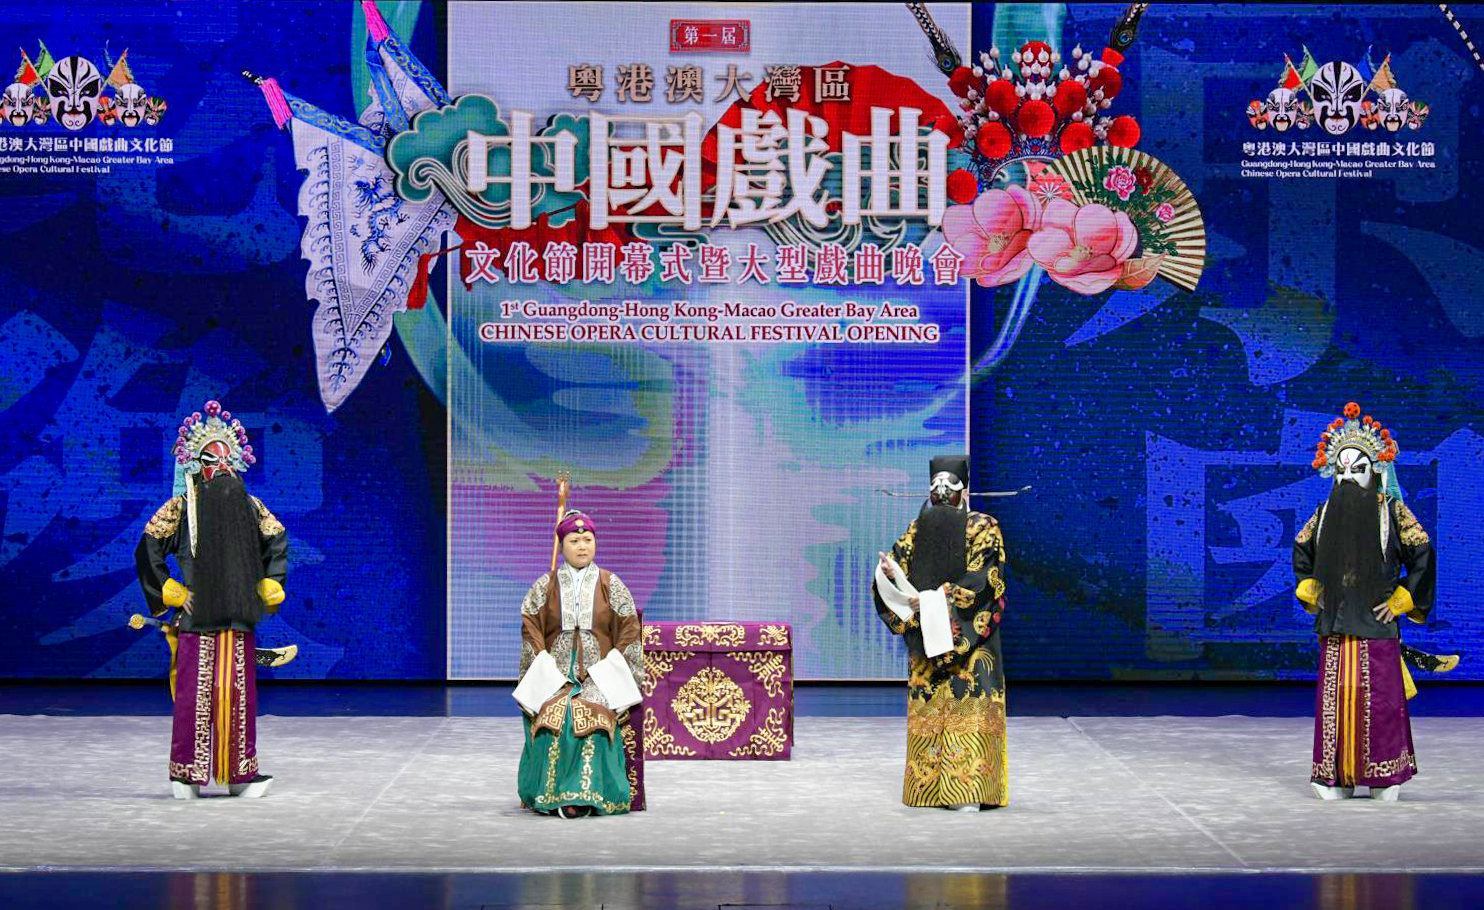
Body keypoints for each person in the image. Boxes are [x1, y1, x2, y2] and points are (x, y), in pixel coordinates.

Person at [135, 400, 288, 799]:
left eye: (227, 460)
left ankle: (239, 774)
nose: (221, 468)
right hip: (198, 614)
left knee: (237, 696)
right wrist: (172, 591)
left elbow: (276, 539)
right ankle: (187, 775)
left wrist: (271, 582)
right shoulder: (181, 508)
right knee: (195, 696)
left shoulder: (250, 507)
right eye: (210, 460)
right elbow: (149, 547)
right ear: (195, 466)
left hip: (237, 615)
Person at [1293, 402, 1434, 801]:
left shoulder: (1393, 512)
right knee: (1337, 700)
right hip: (1336, 624)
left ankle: (1384, 775)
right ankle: (1335, 775)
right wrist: (1310, 587)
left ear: (1375, 470)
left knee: (1381, 701)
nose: (1349, 477)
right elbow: (1302, 550)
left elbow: (1423, 554)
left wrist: (1404, 597)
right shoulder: (1324, 514)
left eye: (1357, 469)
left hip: (1376, 621)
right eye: (1341, 471)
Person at [873, 455, 1009, 810]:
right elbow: (898, 568)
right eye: (935, 486)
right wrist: (890, 574)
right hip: (926, 639)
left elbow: (984, 581)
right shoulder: (917, 528)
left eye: (949, 486)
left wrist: (935, 601)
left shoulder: (984, 527)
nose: (942, 492)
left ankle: (969, 791)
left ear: (964, 489)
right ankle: (929, 788)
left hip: (969, 642)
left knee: (969, 703)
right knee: (930, 708)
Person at [516, 509, 643, 817]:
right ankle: (550, 795)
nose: (582, 546)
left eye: (588, 540)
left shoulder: (612, 584)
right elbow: (531, 628)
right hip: (554, 674)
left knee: (589, 712)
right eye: (574, 541)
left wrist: (608, 671)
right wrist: (547, 670)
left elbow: (629, 630)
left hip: (601, 674)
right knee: (555, 713)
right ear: (562, 546)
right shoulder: (544, 586)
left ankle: (589, 795)